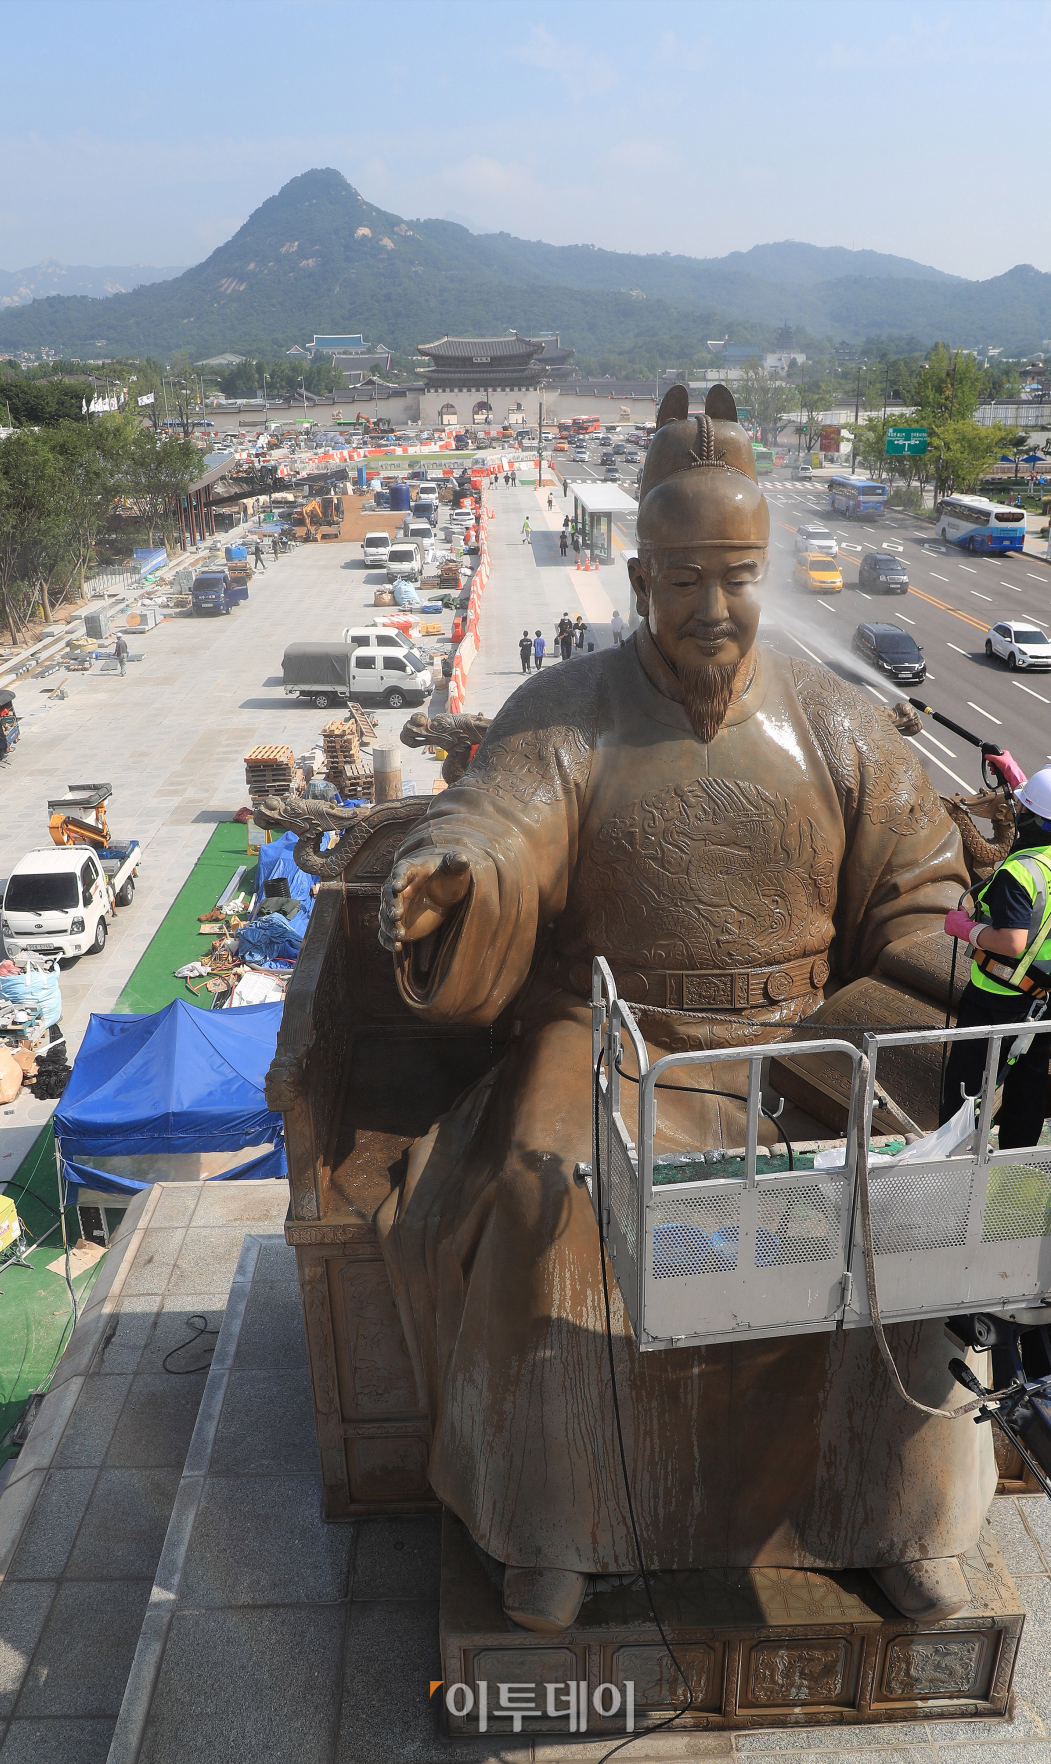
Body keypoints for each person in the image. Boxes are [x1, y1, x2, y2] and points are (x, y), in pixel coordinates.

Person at [377, 384, 980, 1635]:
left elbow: (924, 885)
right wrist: (461, 869)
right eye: (688, 577)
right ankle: (557, 1519)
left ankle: (886, 1512)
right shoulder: (568, 716)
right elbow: (503, 826)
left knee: (888, 1210)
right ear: (641, 571)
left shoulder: (836, 719)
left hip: (805, 1041)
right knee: (551, 1202)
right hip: (608, 1041)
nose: (715, 608)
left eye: (740, 576)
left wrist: (915, 982)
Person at [940, 764, 1051, 1149]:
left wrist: (964, 928)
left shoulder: (1017, 873)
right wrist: (1010, 769)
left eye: (1021, 807)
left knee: (964, 1087)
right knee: (1027, 1085)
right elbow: (1045, 807)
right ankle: (1016, 1160)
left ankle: (950, 1162)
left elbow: (1011, 943)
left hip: (997, 997)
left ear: (1029, 814)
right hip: (1045, 992)